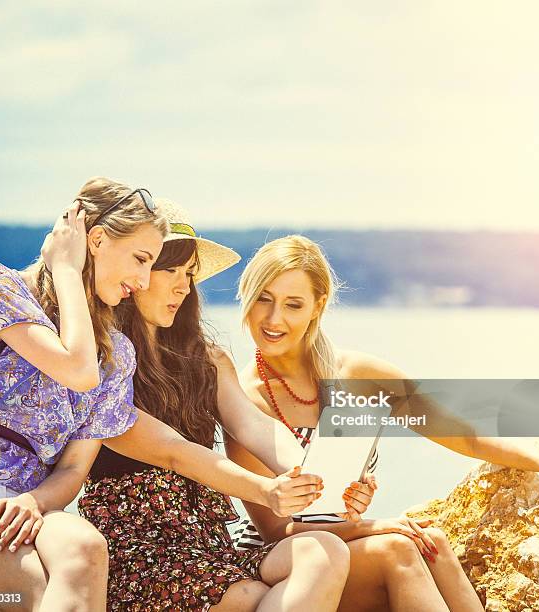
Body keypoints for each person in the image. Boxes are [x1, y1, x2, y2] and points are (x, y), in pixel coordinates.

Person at [229, 234, 539, 610]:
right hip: (289, 561)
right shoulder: (245, 401)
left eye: (293, 304)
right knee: (398, 549)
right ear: (246, 295)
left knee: (432, 541)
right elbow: (276, 529)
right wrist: (370, 525)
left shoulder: (359, 376)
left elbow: (463, 434)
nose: (274, 319)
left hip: (345, 541)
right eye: (263, 298)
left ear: (317, 306)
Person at [79, 202, 350, 611]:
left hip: (209, 545)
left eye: (188, 275)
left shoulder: (208, 359)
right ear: (134, 276)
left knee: (324, 549)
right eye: (168, 270)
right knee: (248, 597)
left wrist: (321, 478)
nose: (182, 287)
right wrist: (268, 490)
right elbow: (175, 452)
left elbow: (255, 425)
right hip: (138, 549)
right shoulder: (100, 364)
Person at [0, 177, 168, 611]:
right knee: (38, 590)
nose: (145, 281)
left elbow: (73, 467)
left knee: (86, 547)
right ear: (96, 240)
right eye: (141, 259)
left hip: (30, 503)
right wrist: (68, 270)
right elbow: (77, 369)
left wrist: (34, 500)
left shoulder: (117, 354)